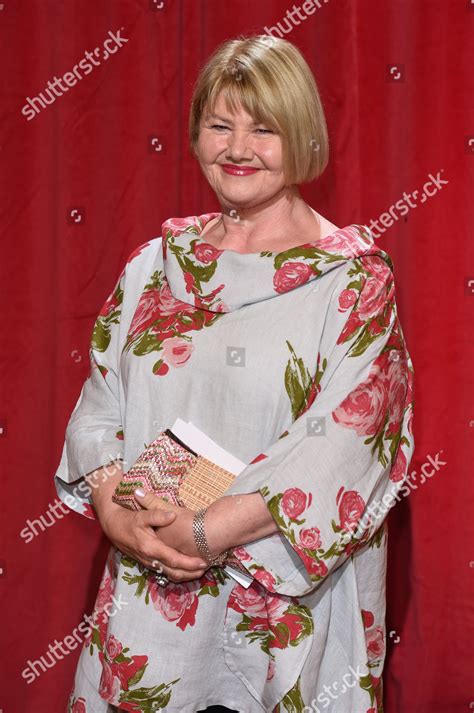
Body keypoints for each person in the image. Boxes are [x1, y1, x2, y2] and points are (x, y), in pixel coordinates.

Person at [55, 34, 415, 713]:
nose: (238, 148)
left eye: (264, 128)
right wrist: (111, 509)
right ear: (195, 135)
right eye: (220, 124)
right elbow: (99, 410)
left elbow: (346, 448)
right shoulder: (151, 266)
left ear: (302, 134)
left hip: (285, 610)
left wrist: (204, 532)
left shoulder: (355, 282)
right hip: (152, 589)